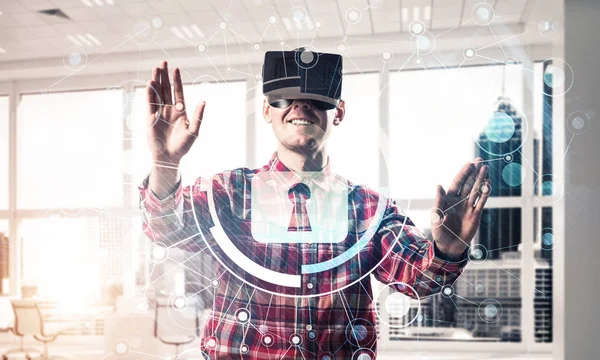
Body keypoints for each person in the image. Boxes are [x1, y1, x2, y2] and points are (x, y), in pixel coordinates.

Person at [139, 52, 490, 359]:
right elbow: (166, 229)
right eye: (283, 98)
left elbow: (418, 280)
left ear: (338, 112)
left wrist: (447, 246)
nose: (300, 105)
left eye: (316, 98)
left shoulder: (369, 210)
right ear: (266, 110)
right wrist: (165, 166)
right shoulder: (229, 193)